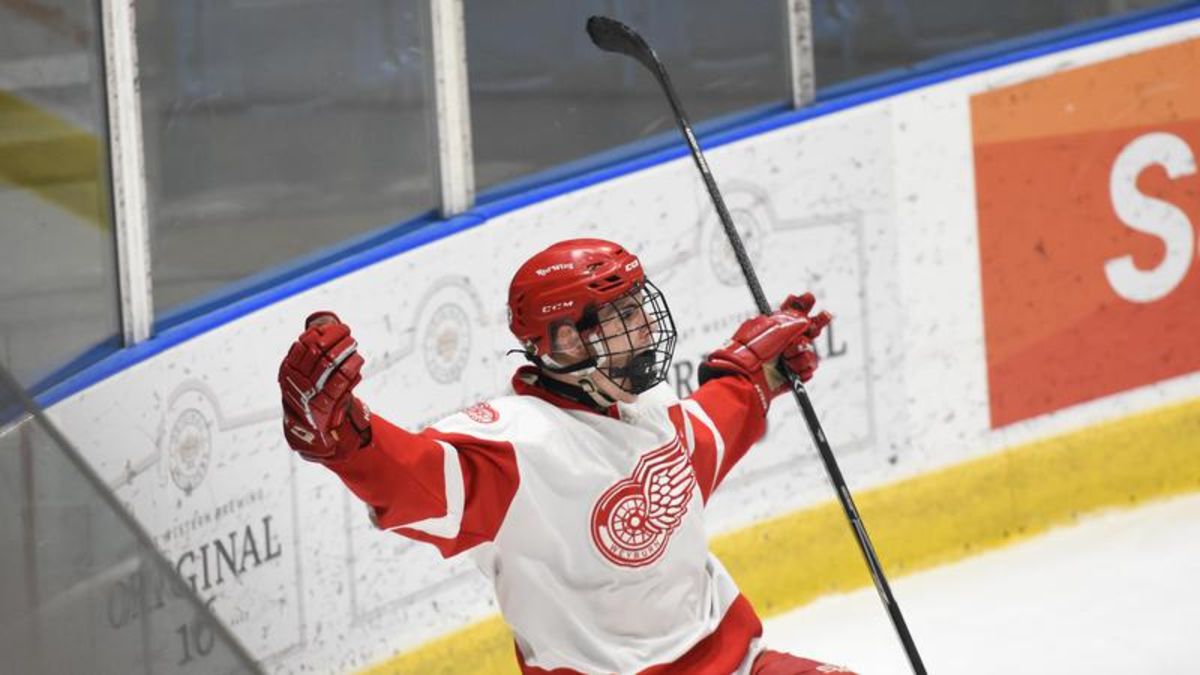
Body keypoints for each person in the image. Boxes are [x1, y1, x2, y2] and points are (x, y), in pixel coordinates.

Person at [278, 239, 855, 674]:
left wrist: (757, 374)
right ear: (565, 342)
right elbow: (417, 478)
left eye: (639, 309)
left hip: (738, 662)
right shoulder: (515, 447)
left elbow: (704, 439)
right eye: (623, 317)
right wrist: (344, 440)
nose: (646, 331)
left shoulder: (642, 407)